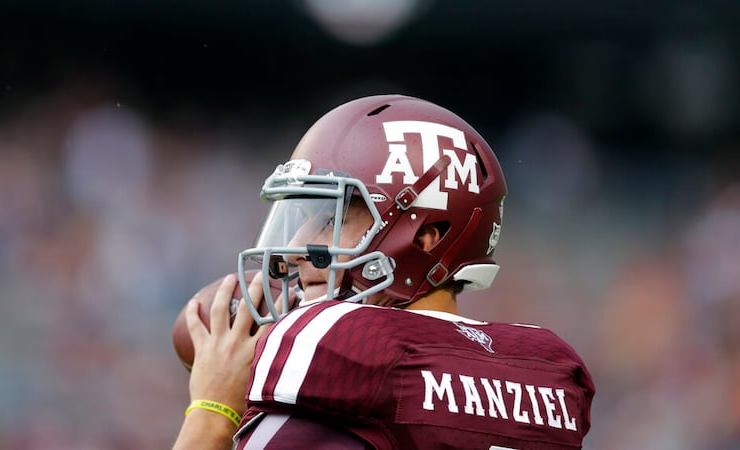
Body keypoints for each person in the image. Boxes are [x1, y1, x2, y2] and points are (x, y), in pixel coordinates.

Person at [173, 94, 595, 449]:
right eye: (302, 216)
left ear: (426, 236)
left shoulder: (341, 354)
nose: (299, 246)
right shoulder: (546, 372)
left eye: (332, 217)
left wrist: (213, 412)